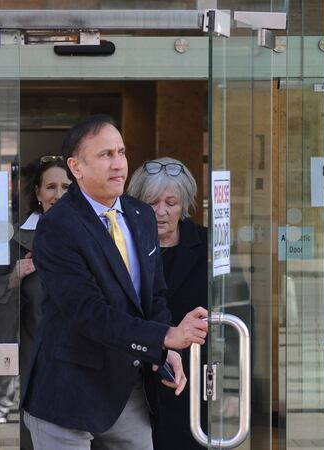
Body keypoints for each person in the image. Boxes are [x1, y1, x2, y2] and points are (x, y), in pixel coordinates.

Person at [22, 114, 209, 450]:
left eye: (121, 152)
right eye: (105, 155)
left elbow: (155, 295)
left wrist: (165, 350)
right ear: (76, 167)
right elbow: (88, 312)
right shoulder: (57, 227)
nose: (118, 164)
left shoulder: (139, 215)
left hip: (126, 391)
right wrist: (166, 335)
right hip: (67, 394)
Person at [0, 156, 71, 434]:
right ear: (38, 193)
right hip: (31, 346)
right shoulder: (15, 239)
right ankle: (3, 403)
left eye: (67, 187)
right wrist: (14, 276)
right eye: (51, 187)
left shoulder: (93, 233)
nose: (58, 194)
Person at [126, 157, 208, 450]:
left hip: (195, 382)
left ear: (184, 204)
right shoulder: (123, 247)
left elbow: (239, 313)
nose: (161, 212)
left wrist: (235, 390)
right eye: (151, 202)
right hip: (135, 382)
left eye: (171, 203)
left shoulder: (208, 247)